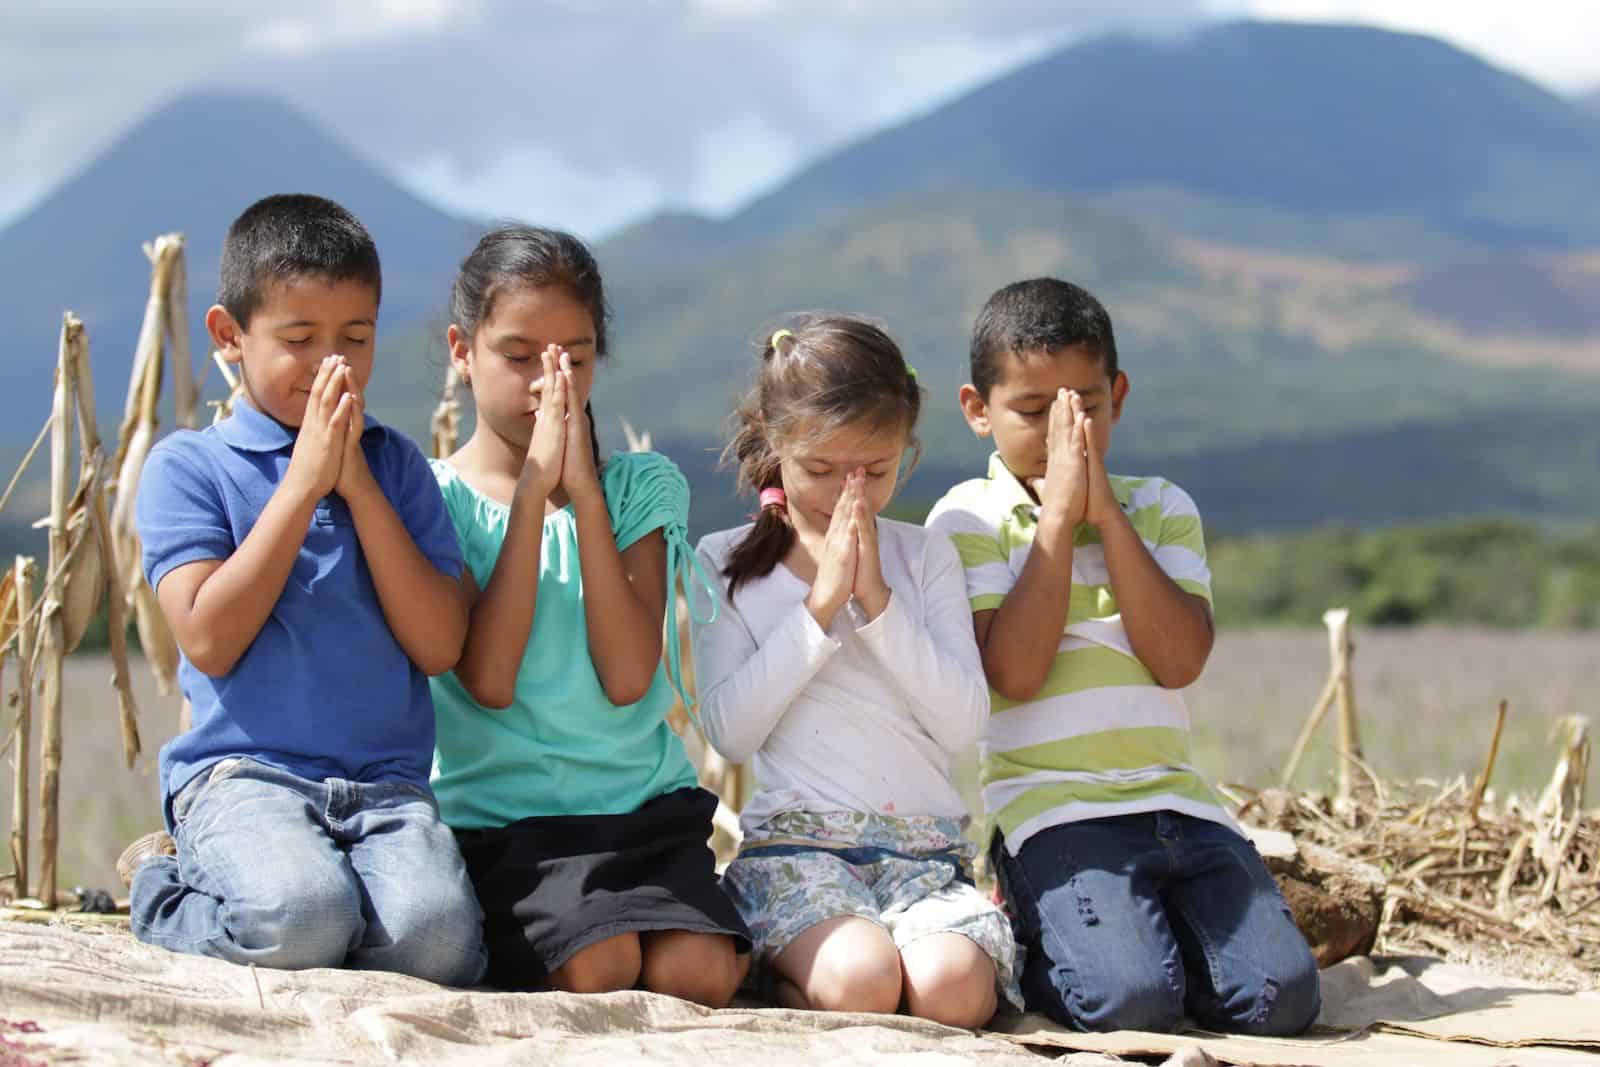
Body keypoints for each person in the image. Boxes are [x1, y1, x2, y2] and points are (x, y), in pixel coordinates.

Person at [925, 278, 1321, 1034]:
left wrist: (1104, 515)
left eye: (1086, 408)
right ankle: (1047, 931)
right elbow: (1013, 672)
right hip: (1055, 814)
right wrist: (1058, 521)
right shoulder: (966, 517)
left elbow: (1178, 661)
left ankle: (1154, 941)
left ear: (1119, 396)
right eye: (1035, 412)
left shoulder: (1163, 506)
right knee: (1128, 1003)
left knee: (1283, 998)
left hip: (1182, 807)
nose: (1064, 432)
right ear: (978, 410)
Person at [127, 193, 485, 985]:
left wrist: (356, 485)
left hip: (387, 788)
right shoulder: (189, 468)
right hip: (244, 775)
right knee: (302, 916)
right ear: (230, 337)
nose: (334, 364)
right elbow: (209, 637)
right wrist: (302, 485)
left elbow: (439, 644)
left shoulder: (400, 470)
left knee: (438, 945)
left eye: (356, 339)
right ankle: (164, 891)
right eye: (299, 340)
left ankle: (327, 904)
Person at [429, 225, 749, 1004]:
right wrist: (536, 494)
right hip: (509, 825)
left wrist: (585, 497)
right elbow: (490, 680)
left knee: (699, 974)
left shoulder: (640, 486)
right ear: (461, 351)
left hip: (641, 813)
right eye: (518, 355)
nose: (550, 381)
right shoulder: (435, 499)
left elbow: (629, 672)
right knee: (601, 968)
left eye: (573, 356)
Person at [693, 315, 1019, 1028]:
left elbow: (963, 724)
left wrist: (877, 606)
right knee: (862, 980)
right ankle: (792, 978)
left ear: (907, 448)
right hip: (799, 851)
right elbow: (730, 734)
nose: (850, 491)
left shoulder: (924, 554)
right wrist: (816, 609)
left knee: (953, 991)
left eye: (876, 471)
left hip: (925, 854)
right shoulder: (725, 561)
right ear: (776, 442)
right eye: (821, 469)